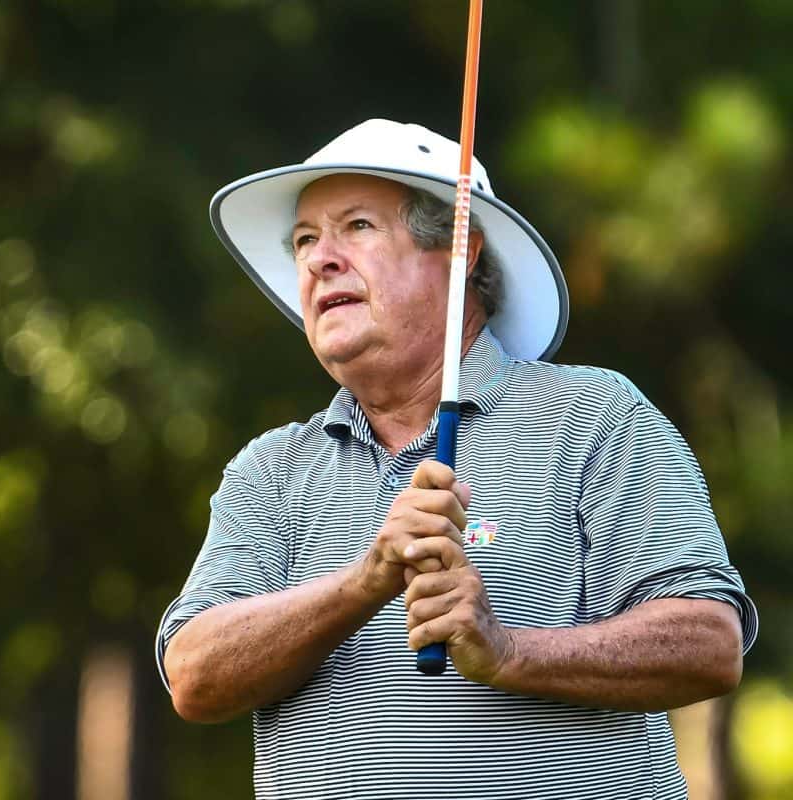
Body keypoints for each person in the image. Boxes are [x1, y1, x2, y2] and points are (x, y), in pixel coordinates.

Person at [155, 120, 758, 800]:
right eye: (303, 240)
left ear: (462, 248)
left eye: (356, 227)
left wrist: (507, 651)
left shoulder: (594, 417)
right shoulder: (270, 470)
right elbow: (194, 675)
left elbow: (708, 642)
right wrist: (365, 582)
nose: (320, 258)